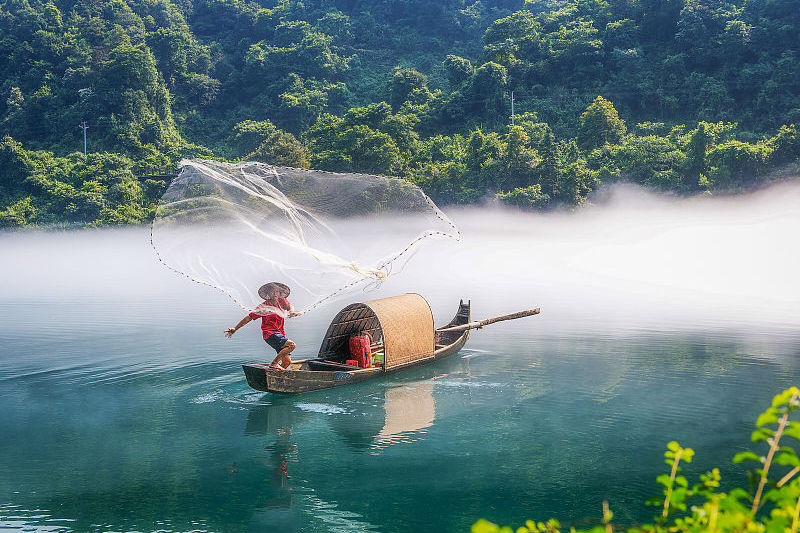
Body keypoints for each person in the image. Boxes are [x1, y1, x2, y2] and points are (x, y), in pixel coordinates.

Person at [225, 282, 299, 370]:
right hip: (270, 334)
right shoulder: (263, 307)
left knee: (287, 362)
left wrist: (291, 311)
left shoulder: (282, 301)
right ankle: (274, 363)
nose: (275, 293)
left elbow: (290, 306)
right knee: (291, 345)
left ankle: (275, 376)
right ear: (268, 294)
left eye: (277, 291)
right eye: (272, 291)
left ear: (280, 293)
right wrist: (235, 328)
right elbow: (248, 318)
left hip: (280, 334)